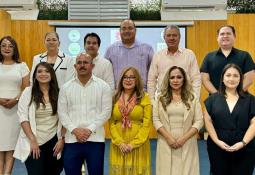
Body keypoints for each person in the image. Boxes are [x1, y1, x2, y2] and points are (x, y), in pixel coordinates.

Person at [58, 53, 112, 175]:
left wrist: (89, 130)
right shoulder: (65, 88)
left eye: (86, 62)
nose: (82, 65)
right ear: (75, 66)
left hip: (95, 139)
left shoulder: (104, 87)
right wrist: (75, 130)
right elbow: (62, 113)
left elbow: (106, 112)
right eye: (79, 63)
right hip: (72, 139)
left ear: (92, 66)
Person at [13, 62, 64, 175]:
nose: (43, 74)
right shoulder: (27, 92)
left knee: (54, 172)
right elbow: (23, 117)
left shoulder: (59, 92)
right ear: (35, 75)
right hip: (33, 140)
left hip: (54, 141)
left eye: (47, 71)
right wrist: (32, 140)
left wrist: (62, 139)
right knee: (36, 172)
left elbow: (65, 117)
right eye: (39, 71)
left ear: (52, 75)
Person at [204, 63, 255, 175]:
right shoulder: (212, 100)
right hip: (218, 148)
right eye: (228, 75)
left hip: (245, 148)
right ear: (222, 78)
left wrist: (243, 142)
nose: (231, 79)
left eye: (236, 76)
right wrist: (217, 141)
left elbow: (254, 124)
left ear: (240, 79)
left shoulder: (250, 99)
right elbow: (208, 122)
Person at [153, 66, 203, 175]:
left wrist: (183, 139)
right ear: (168, 79)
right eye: (172, 77)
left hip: (187, 142)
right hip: (166, 141)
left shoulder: (192, 97)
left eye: (179, 77)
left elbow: (199, 121)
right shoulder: (160, 97)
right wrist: (169, 138)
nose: (175, 80)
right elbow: (156, 119)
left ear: (184, 79)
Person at [109, 67, 152, 175]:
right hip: (119, 145)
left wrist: (134, 144)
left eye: (132, 77)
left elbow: (147, 123)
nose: (128, 80)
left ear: (137, 80)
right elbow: (111, 123)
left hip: (138, 146)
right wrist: (120, 143)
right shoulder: (115, 97)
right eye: (125, 77)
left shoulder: (144, 97)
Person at [0, 36, 29, 175]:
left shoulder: (22, 66)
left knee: (11, 147)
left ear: (14, 49)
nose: (7, 48)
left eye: (10, 46)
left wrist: (16, 100)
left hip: (15, 110)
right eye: (4, 45)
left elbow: (26, 88)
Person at [148, 25, 201, 101]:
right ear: (164, 38)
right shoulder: (157, 56)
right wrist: (152, 101)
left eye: (174, 35)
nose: (171, 38)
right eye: (168, 35)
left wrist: (195, 99)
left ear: (179, 37)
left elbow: (196, 79)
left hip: (185, 100)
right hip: (163, 100)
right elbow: (151, 80)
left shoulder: (189, 54)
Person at [201, 25, 255, 94]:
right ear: (217, 38)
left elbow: (249, 78)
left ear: (234, 37)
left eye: (228, 33)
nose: (225, 36)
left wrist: (235, 95)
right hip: (216, 100)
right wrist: (217, 96)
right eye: (222, 34)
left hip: (241, 99)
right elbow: (205, 79)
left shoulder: (245, 55)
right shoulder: (209, 57)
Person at [105, 19, 154, 90]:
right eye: (124, 28)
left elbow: (153, 73)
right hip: (118, 94)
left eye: (130, 28)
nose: (127, 31)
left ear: (135, 30)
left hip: (142, 93)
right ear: (120, 31)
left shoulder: (147, 49)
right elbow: (106, 73)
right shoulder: (110, 50)